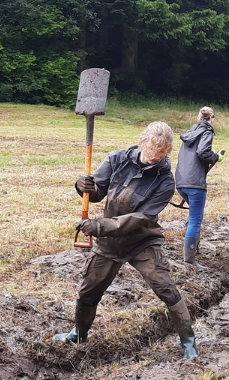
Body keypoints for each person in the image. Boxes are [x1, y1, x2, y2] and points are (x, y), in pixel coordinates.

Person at [54, 121, 199, 360]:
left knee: (165, 287)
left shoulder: (165, 181)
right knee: (89, 290)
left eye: (161, 154)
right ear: (142, 142)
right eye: (152, 151)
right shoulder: (116, 160)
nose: (155, 158)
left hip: (141, 242)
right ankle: (78, 333)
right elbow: (97, 192)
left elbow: (141, 218)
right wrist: (83, 187)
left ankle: (188, 341)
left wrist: (100, 226)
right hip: (109, 243)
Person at [175, 106, 223, 269]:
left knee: (194, 217)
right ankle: (189, 260)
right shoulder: (207, 131)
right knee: (196, 220)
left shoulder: (190, 133)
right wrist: (216, 157)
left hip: (181, 181)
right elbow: (203, 152)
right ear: (212, 119)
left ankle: (194, 250)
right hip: (195, 183)